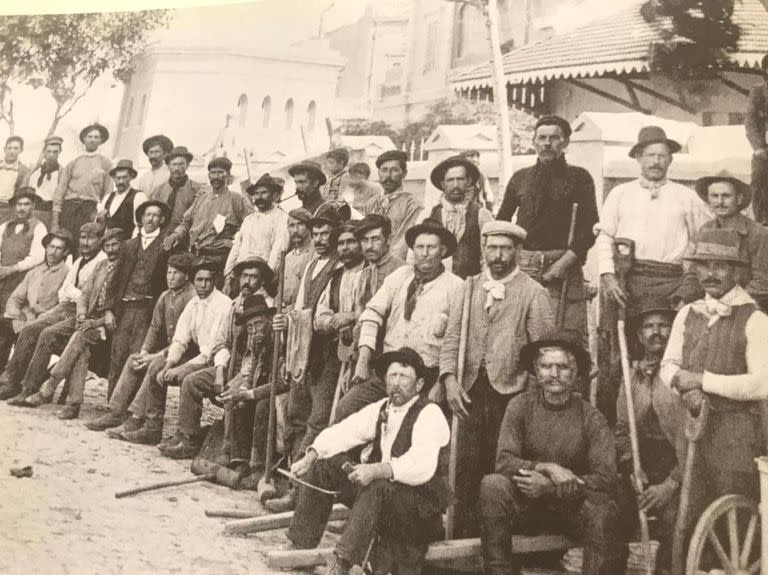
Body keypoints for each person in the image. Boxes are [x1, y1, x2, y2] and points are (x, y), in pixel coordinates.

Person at [287, 347, 450, 575]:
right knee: (325, 464)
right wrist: (311, 455)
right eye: (392, 376)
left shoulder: (430, 413)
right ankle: (300, 546)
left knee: (377, 485)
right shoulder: (382, 407)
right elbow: (344, 431)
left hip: (416, 512)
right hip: (380, 500)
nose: (396, 383)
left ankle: (342, 564)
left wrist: (376, 469)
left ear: (419, 385)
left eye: (404, 377)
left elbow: (421, 466)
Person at [439, 220, 555, 536]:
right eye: (492, 248)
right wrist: (450, 379)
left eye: (505, 248)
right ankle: (461, 540)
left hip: (511, 393)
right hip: (468, 391)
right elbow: (451, 339)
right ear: (484, 251)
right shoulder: (469, 286)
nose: (498, 255)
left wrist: (530, 399)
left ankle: (497, 541)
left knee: (500, 467)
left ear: (518, 251)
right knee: (462, 464)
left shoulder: (534, 293)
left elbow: (542, 354)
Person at [479, 333, 626, 575]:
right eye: (546, 366)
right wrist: (544, 467)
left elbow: (606, 478)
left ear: (576, 373)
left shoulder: (591, 417)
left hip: (572, 511)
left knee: (603, 510)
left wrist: (551, 488)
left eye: (563, 367)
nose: (554, 373)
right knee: (493, 485)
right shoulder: (520, 406)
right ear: (536, 371)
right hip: (528, 508)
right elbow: (504, 462)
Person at [660, 228, 768, 546]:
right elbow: (668, 366)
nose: (711, 273)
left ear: (736, 270)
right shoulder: (687, 314)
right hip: (692, 426)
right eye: (704, 265)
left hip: (735, 434)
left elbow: (762, 383)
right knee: (689, 511)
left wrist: (703, 381)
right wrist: (683, 384)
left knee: (734, 512)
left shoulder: (755, 320)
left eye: (720, 266)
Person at [596, 125, 711, 419]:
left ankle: (667, 425)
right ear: (638, 159)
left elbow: (704, 241)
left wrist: (688, 285)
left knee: (669, 350)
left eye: (662, 155)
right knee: (621, 354)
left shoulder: (686, 197)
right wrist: (608, 276)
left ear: (670, 160)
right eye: (650, 155)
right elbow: (605, 237)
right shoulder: (620, 194)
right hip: (625, 283)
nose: (656, 161)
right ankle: (620, 428)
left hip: (670, 285)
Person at [335, 219, 463, 423]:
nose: (425, 253)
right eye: (420, 247)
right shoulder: (399, 277)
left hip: (426, 376)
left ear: (443, 250)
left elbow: (455, 340)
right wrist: (363, 360)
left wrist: (442, 381)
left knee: (412, 425)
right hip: (390, 370)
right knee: (347, 409)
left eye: (431, 247)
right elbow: (371, 314)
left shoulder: (456, 287)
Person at [267, 205, 343, 512]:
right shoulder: (312, 265)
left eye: (327, 233)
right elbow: (299, 308)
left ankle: (301, 494)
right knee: (296, 417)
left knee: (318, 422)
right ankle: (289, 480)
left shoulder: (340, 269)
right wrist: (287, 323)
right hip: (306, 352)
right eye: (317, 234)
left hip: (330, 354)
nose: (321, 239)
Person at [498, 115, 599, 344]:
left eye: (554, 138)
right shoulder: (520, 178)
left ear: (565, 143)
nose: (547, 143)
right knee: (520, 334)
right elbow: (502, 221)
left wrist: (563, 264)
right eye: (541, 138)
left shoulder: (579, 178)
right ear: (534, 141)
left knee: (565, 336)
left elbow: (589, 228)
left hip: (564, 264)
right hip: (524, 265)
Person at [159, 257, 274, 455]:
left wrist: (239, 379)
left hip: (256, 373)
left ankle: (233, 449)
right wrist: (220, 371)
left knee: (234, 398)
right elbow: (221, 342)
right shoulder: (235, 305)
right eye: (244, 276)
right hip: (229, 366)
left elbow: (262, 355)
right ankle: (189, 438)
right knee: (191, 381)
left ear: (262, 281)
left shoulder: (268, 307)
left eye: (253, 277)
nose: (247, 281)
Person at [119, 260, 230, 445]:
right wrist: (169, 365)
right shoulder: (194, 303)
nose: (203, 285)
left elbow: (213, 348)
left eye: (207, 280)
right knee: (156, 367)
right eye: (199, 280)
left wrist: (181, 368)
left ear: (214, 281)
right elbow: (180, 340)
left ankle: (187, 436)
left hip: (216, 359)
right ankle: (152, 428)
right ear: (193, 281)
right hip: (199, 357)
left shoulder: (223, 304)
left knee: (186, 378)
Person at [83, 252, 196, 435]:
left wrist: (153, 356)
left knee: (153, 365)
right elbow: (154, 328)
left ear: (186, 275)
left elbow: (184, 341)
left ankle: (136, 418)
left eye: (176, 273)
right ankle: (116, 413)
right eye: (169, 272)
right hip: (168, 351)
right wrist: (144, 351)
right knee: (134, 359)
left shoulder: (192, 298)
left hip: (186, 354)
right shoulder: (165, 296)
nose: (171, 277)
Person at [22, 228, 126, 418]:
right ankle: (73, 404)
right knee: (81, 350)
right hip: (88, 320)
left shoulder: (126, 270)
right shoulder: (101, 265)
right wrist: (81, 316)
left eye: (115, 245)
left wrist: (95, 323)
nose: (111, 249)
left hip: (109, 325)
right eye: (108, 245)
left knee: (79, 336)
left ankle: (49, 387)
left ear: (123, 246)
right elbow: (85, 295)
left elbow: (121, 309)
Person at [0, 222, 106, 401]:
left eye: (91, 238)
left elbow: (91, 298)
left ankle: (30, 387)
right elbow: (64, 292)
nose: (86, 242)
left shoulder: (101, 262)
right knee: (30, 329)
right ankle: (10, 381)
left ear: (100, 240)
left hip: (84, 314)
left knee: (46, 333)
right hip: (66, 307)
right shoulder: (80, 260)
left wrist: (75, 294)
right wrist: (75, 293)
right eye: (83, 237)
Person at [614, 301, 684, 573]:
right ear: (639, 336)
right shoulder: (631, 373)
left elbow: (696, 437)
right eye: (649, 326)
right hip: (641, 463)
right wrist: (630, 466)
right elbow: (622, 429)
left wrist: (670, 484)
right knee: (614, 511)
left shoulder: (683, 373)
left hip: (681, 464)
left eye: (663, 325)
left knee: (672, 517)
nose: (656, 332)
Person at [101, 200, 172, 399]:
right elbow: (113, 281)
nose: (151, 219)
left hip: (146, 309)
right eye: (148, 215)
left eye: (156, 215)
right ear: (141, 219)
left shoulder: (165, 247)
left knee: (137, 356)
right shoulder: (129, 245)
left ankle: (127, 406)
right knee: (117, 355)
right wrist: (108, 310)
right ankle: (111, 404)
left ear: (162, 220)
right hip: (124, 308)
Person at [164, 156, 252, 281]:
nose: (216, 177)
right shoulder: (201, 198)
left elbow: (252, 224)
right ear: (209, 175)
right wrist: (176, 235)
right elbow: (186, 222)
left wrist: (233, 242)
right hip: (195, 255)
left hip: (218, 258)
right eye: (213, 173)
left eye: (220, 173)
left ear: (228, 175)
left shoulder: (236, 199)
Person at [0, 228, 71, 372]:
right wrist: (15, 313)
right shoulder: (35, 272)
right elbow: (16, 298)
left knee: (29, 335)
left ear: (65, 252)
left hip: (47, 322)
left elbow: (64, 305)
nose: (53, 252)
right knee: (3, 327)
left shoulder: (67, 273)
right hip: (23, 318)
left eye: (58, 248)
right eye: (51, 246)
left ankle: (15, 377)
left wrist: (43, 314)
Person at [695, 170, 768, 310]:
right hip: (712, 304)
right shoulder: (705, 230)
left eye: (726, 196)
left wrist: (730, 303)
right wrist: (684, 297)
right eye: (715, 196)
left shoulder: (757, 234)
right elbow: (695, 271)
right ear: (708, 200)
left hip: (749, 305)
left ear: (739, 199)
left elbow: (763, 281)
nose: (720, 202)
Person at [426, 155, 493, 279]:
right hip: (436, 284)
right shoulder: (429, 214)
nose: (455, 185)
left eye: (460, 179)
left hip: (470, 285)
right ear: (442, 184)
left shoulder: (482, 215)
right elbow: (415, 256)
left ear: (468, 182)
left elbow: (488, 255)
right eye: (450, 180)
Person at [224, 173, 288, 290]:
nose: (259, 197)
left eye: (263, 193)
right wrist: (228, 276)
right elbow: (237, 247)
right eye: (256, 194)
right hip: (242, 276)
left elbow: (278, 251)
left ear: (273, 195)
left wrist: (266, 279)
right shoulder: (249, 219)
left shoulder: (281, 218)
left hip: (262, 279)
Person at [53, 123, 112, 245]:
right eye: (89, 136)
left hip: (89, 209)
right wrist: (55, 217)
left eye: (96, 137)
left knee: (82, 243)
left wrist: (102, 213)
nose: (92, 140)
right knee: (64, 241)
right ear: (84, 139)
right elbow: (60, 191)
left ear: (101, 141)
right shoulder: (73, 162)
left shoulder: (105, 163)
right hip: (69, 208)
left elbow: (108, 191)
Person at [363, 150, 422, 260]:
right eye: (384, 170)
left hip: (395, 264)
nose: (388, 176)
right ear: (379, 173)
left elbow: (403, 243)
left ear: (404, 173)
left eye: (394, 170)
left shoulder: (412, 205)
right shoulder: (371, 203)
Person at [0, 188, 47, 316]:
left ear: (33, 206)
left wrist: (13, 268)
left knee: (11, 315)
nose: (22, 208)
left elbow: (38, 256)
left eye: (26, 204)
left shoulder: (39, 227)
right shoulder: (5, 226)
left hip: (22, 278)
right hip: (2, 275)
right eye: (19, 204)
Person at [353, 214, 406, 315]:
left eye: (375, 239)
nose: (369, 246)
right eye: (364, 240)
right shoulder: (363, 274)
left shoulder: (402, 271)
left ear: (389, 240)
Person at [150, 145, 204, 232]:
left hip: (185, 237)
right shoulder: (158, 190)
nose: (177, 168)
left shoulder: (197, 190)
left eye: (181, 164)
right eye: (174, 164)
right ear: (168, 165)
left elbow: (200, 218)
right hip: (160, 235)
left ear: (187, 165)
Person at [97, 159, 148, 235]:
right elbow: (101, 225)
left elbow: (140, 226)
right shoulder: (107, 198)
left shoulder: (138, 196)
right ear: (114, 178)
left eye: (124, 178)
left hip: (128, 243)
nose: (121, 181)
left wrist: (131, 245)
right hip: (109, 243)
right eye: (118, 178)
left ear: (131, 177)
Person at [746, 54, 768, 224]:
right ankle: (761, 221)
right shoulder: (758, 92)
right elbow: (751, 121)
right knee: (759, 177)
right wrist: (758, 147)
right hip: (764, 148)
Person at [24, 135, 63, 228]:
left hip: (49, 213)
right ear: (44, 152)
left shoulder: (62, 174)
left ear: (60, 152)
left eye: (55, 152)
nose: (51, 155)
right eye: (48, 151)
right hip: (32, 211)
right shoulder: (35, 171)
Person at [284, 208, 315, 309]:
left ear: (309, 227)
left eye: (300, 224)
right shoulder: (288, 257)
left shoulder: (315, 252)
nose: (295, 230)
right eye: (292, 225)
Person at [0, 136, 29, 220]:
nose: (12, 151)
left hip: (7, 210)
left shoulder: (24, 171)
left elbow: (22, 195)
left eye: (16, 148)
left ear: (21, 150)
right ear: (5, 149)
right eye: (9, 148)